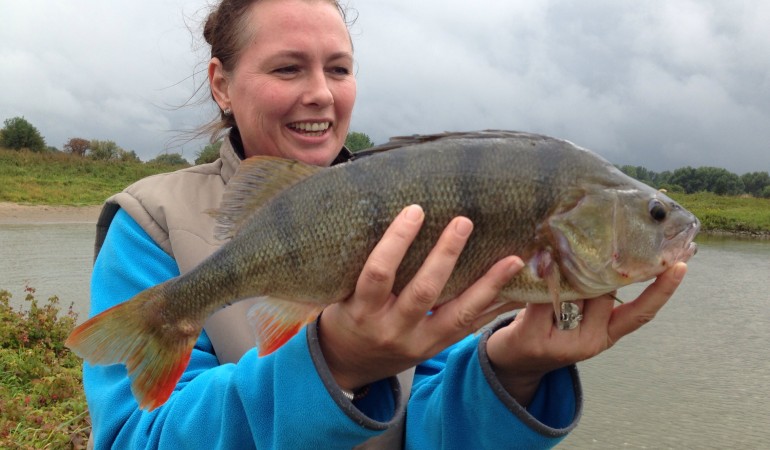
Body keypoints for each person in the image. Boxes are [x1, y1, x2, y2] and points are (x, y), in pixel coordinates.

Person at [82, 0, 688, 448]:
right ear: (222, 83)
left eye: (339, 70)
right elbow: (135, 439)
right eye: (288, 69)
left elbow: (429, 432)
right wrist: (335, 362)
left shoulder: (407, 207)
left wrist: (515, 369)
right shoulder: (153, 223)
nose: (321, 93)